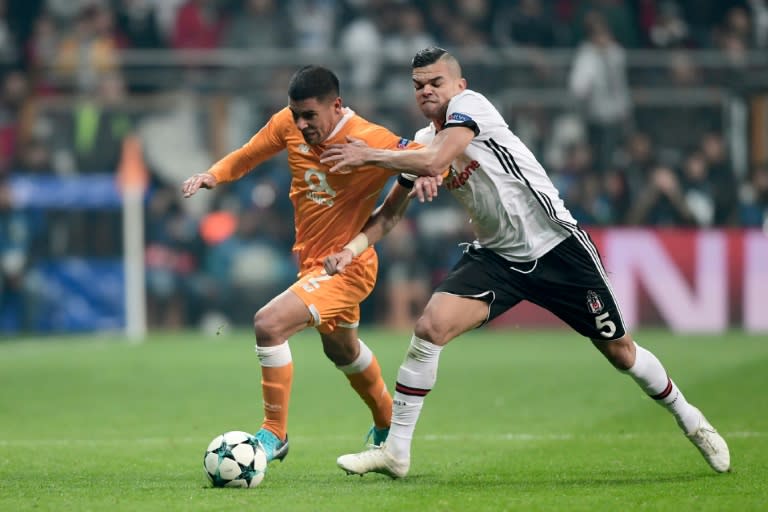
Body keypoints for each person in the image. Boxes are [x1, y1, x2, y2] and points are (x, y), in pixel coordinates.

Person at [320, 47, 730, 478]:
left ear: (459, 84)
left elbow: (437, 161)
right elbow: (390, 213)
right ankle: (396, 454)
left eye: (435, 82)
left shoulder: (470, 107)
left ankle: (691, 420)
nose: (426, 91)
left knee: (621, 352)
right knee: (429, 328)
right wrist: (353, 248)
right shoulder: (422, 143)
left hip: (556, 248)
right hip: (497, 257)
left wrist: (370, 155)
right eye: (418, 85)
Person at [181, 65, 432, 464]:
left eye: (309, 116)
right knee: (342, 351)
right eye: (295, 114)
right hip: (313, 264)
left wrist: (422, 175)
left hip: (348, 265)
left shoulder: (368, 138)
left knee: (268, 323)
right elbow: (249, 154)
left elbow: (433, 159)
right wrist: (214, 175)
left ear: (336, 105)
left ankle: (273, 434)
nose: (300, 124)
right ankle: (387, 420)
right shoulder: (288, 124)